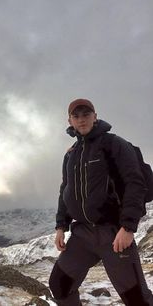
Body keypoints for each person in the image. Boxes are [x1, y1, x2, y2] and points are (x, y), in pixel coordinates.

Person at [49, 98, 153, 306]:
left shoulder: (114, 144)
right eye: (76, 116)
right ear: (69, 121)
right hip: (82, 235)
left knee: (137, 299)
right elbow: (65, 189)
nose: (81, 119)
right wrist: (61, 225)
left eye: (86, 114)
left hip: (113, 234)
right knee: (59, 285)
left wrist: (128, 227)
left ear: (95, 116)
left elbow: (135, 183)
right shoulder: (71, 154)